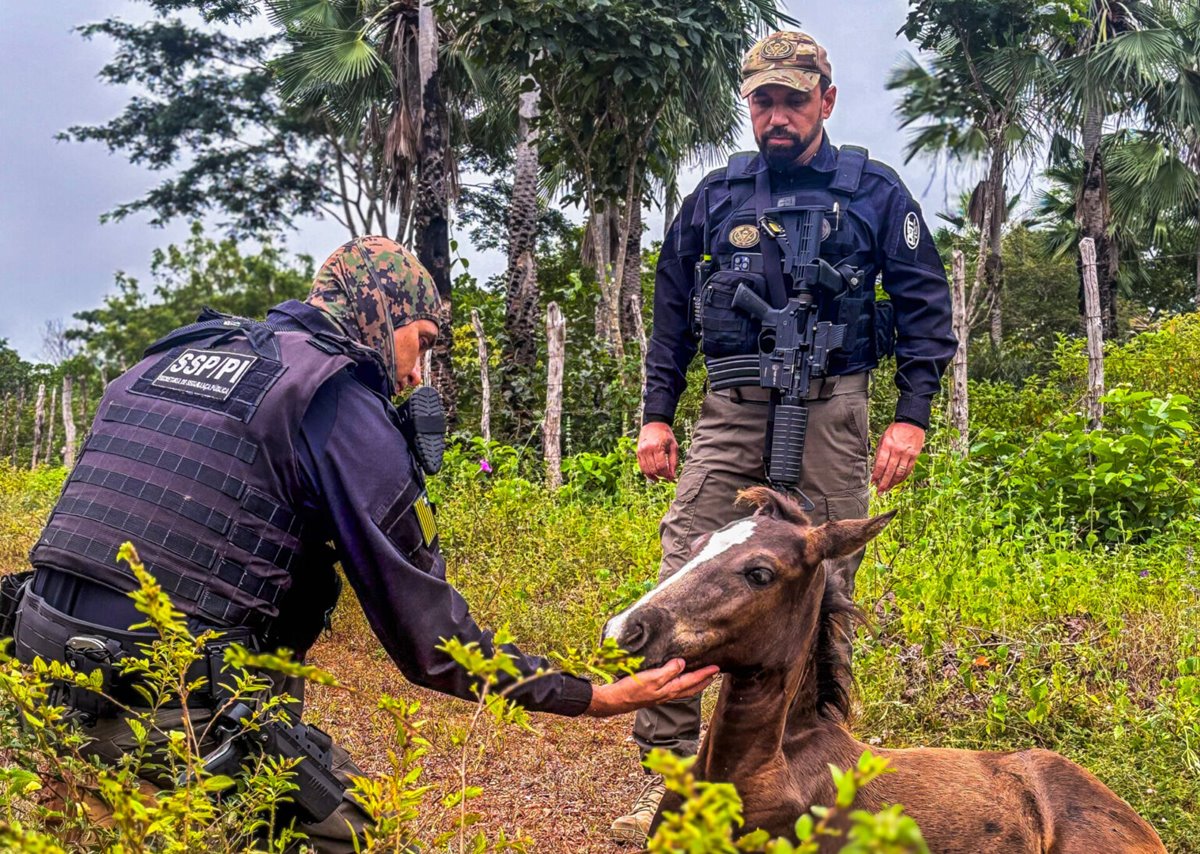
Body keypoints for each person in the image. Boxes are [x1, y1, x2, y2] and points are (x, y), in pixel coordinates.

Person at [5, 236, 717, 852]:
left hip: (36, 674)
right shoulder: (334, 397)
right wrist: (591, 695)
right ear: (379, 311)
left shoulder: (165, 358)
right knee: (358, 833)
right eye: (422, 343)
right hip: (164, 699)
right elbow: (434, 642)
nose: (416, 375)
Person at [609, 31, 957, 843]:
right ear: (750, 105)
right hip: (732, 409)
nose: (777, 114)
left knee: (822, 586)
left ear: (826, 101)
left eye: (794, 99)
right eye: (763, 100)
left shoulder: (874, 190)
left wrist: (911, 417)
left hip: (833, 405)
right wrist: (656, 414)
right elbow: (670, 315)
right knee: (687, 574)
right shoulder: (716, 195)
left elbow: (924, 312)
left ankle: (804, 771)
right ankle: (669, 778)